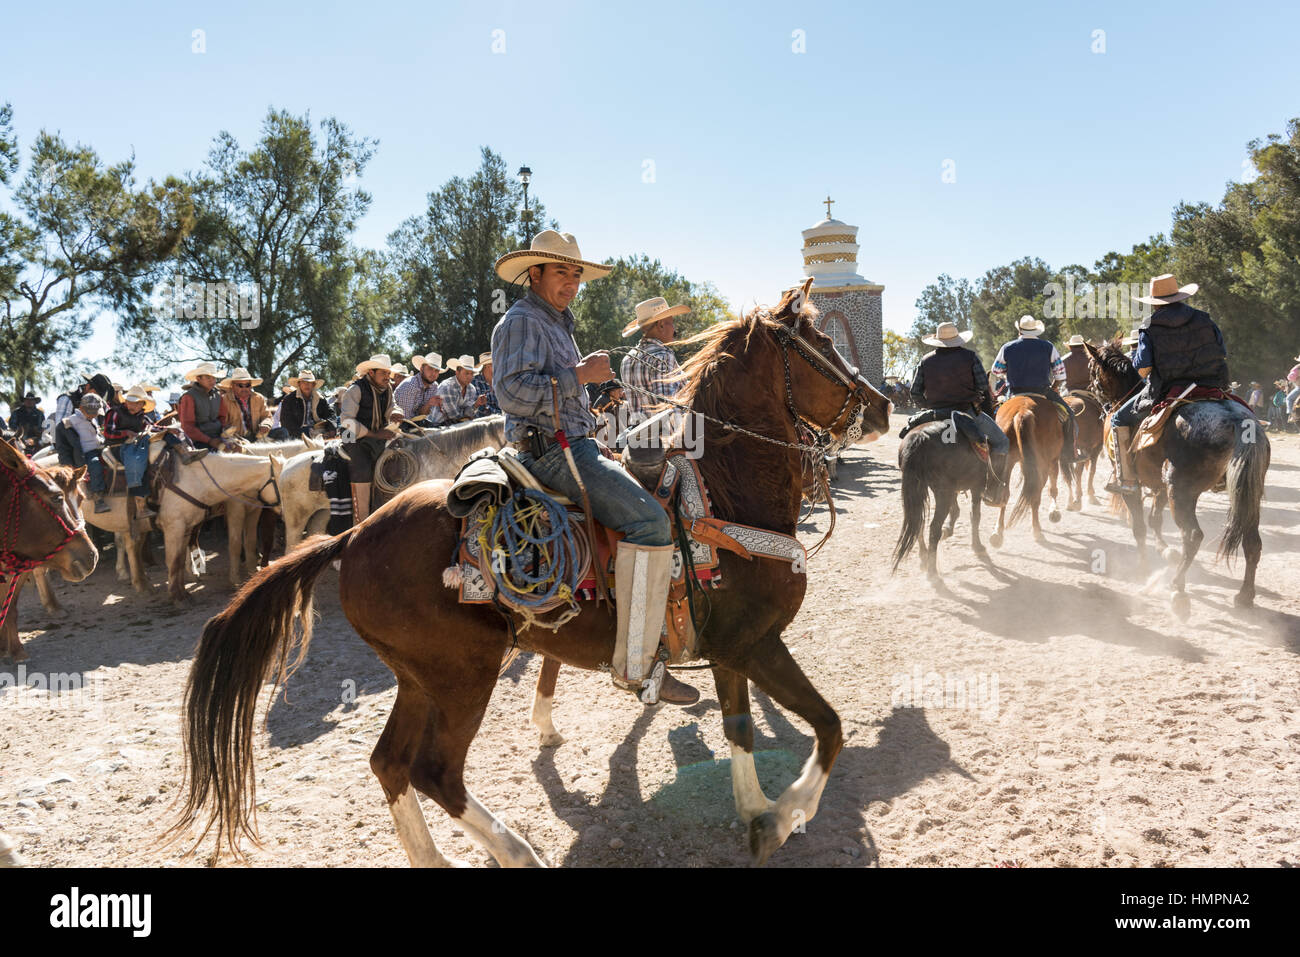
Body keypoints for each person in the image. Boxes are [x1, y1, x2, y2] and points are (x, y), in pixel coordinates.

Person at [492, 229, 695, 706]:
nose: (573, 282)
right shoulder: (522, 320)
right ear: (534, 273)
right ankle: (637, 664)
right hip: (552, 451)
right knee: (650, 520)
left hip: (574, 444)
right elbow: (511, 392)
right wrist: (579, 376)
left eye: (577, 273)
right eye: (562, 272)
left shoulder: (556, 323)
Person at [1107, 274, 1229, 493]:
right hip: (1212, 385)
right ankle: (1223, 474)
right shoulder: (1204, 319)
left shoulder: (1149, 326)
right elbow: (1222, 353)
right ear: (1179, 296)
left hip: (1166, 390)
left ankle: (1126, 479)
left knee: (1118, 418)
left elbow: (1143, 368)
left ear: (1155, 303)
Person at [909, 323, 1010, 505]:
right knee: (1002, 441)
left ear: (938, 341)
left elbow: (915, 392)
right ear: (958, 339)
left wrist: (929, 406)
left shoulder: (925, 360)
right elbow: (981, 386)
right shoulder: (969, 357)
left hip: (934, 413)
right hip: (966, 411)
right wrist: (974, 396)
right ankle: (993, 489)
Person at [991, 315, 1081, 472]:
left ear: (1019, 330)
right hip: (1042, 392)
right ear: (1036, 330)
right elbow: (1060, 375)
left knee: (995, 416)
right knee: (1069, 416)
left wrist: (1008, 373)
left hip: (1014, 393)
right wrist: (1054, 387)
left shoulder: (1008, 347)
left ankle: (993, 454)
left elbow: (996, 370)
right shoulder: (1048, 346)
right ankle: (1070, 452)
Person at [339, 354, 406, 523]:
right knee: (361, 468)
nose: (387, 376)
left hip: (376, 436)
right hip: (351, 434)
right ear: (371, 372)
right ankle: (360, 521)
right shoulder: (355, 389)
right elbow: (346, 421)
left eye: (388, 372)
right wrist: (376, 434)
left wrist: (396, 412)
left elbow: (392, 406)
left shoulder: (387, 389)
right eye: (383, 372)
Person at [619, 297, 688, 421]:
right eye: (671, 323)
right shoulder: (663, 356)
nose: (674, 329)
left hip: (638, 437)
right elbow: (667, 409)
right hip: (667, 436)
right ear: (661, 325)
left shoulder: (627, 360)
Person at [103, 385, 156, 515]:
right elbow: (108, 433)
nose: (133, 405)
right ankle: (140, 504)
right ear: (125, 402)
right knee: (136, 461)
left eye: (137, 403)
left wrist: (168, 429)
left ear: (142, 404)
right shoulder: (114, 412)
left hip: (135, 445)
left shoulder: (142, 416)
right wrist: (125, 433)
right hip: (117, 447)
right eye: (130, 402)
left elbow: (153, 427)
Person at [55, 394, 110, 512]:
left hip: (100, 449)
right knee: (95, 465)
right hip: (85, 454)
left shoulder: (92, 420)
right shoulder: (69, 422)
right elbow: (63, 447)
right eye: (91, 411)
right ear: (81, 408)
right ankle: (98, 497)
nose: (94, 414)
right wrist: (68, 464)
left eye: (95, 411)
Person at [176, 362, 235, 461]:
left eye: (214, 378)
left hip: (218, 437)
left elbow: (222, 417)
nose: (212, 381)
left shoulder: (218, 396)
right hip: (198, 442)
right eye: (208, 378)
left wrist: (225, 429)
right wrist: (210, 440)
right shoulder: (188, 397)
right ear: (198, 378)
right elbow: (188, 427)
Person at [218, 368, 272, 443]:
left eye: (247, 385)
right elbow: (222, 422)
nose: (244, 388)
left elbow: (267, 416)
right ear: (232, 386)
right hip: (237, 438)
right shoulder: (224, 400)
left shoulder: (259, 398)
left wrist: (266, 424)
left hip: (257, 435)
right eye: (240, 385)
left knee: (282, 431)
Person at [278, 369, 336, 439]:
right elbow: (286, 422)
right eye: (303, 382)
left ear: (313, 384)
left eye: (309, 382)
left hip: (318, 430)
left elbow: (330, 414)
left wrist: (331, 428)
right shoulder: (289, 399)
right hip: (296, 433)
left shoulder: (320, 399)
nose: (306, 385)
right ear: (299, 384)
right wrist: (306, 432)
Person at [393, 352, 445, 423]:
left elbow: (422, 414)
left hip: (416, 425)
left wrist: (429, 404)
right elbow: (405, 420)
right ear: (421, 369)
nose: (433, 373)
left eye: (436, 371)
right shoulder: (410, 385)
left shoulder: (434, 386)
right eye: (430, 368)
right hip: (401, 426)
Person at [437, 355, 484, 424]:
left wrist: (476, 405)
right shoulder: (447, 387)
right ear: (457, 372)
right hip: (437, 426)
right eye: (467, 373)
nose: (470, 377)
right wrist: (472, 408)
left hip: (456, 426)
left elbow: (466, 416)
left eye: (472, 373)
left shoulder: (471, 389)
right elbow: (454, 416)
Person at [471, 353, 500, 417]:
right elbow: (480, 409)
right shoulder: (475, 382)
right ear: (487, 366)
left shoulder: (499, 380)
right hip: (482, 421)